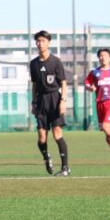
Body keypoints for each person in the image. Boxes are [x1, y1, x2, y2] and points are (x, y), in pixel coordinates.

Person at [30, 30, 70, 177]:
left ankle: (65, 168)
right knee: (42, 138)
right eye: (38, 41)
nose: (40, 43)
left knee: (57, 132)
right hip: (41, 101)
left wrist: (63, 101)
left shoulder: (56, 61)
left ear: (48, 43)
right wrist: (33, 102)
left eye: (43, 41)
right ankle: (46, 157)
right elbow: (34, 84)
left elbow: (63, 83)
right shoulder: (33, 63)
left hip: (55, 99)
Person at [84, 48, 110, 165]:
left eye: (105, 55)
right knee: (106, 131)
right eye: (101, 55)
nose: (103, 57)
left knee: (105, 126)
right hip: (100, 104)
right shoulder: (94, 72)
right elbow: (87, 83)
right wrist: (90, 87)